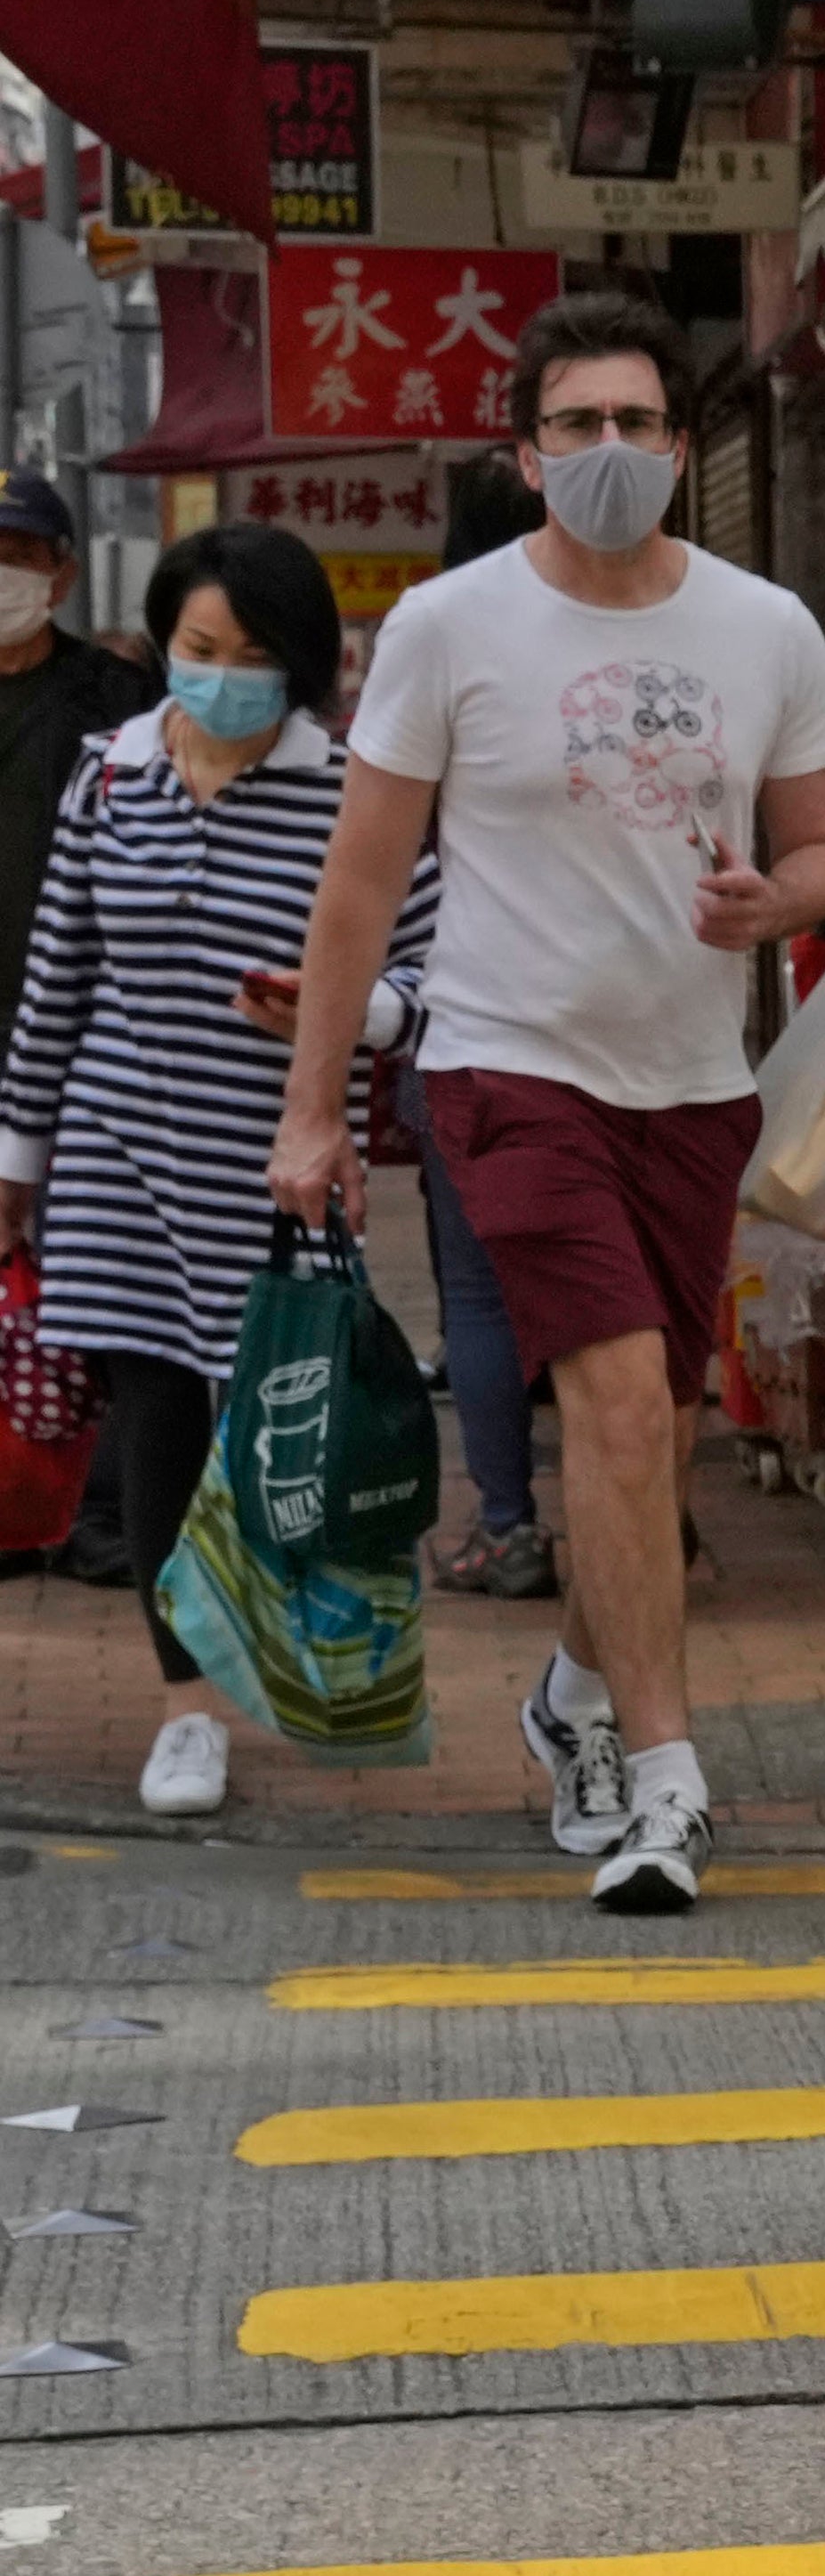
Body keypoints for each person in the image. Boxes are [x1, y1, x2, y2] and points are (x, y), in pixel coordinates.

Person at [271, 293, 825, 1914]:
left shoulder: (766, 627)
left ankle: (573, 1698)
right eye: (578, 426)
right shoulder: (450, 628)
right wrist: (313, 1110)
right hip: (508, 1067)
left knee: (657, 1436)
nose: (611, 452)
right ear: (526, 452)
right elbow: (361, 880)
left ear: (685, 445)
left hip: (694, 1081)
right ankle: (666, 1780)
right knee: (608, 1405)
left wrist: (778, 902)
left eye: (639, 424)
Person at [0, 527, 435, 1816]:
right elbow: (57, 978)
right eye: (198, 651)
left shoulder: (352, 790)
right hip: (116, 1155)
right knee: (159, 1428)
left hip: (274, 1165)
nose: (222, 678)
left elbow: (426, 970)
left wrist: (350, 1013)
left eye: (254, 658)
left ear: (302, 669)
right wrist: (19, 1155)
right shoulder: (109, 777)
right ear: (159, 646)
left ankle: (309, 1661)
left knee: (279, 1426)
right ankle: (187, 1706)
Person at [8, 471, 174, 1589]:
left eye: (20, 553)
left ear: (61, 570)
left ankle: (103, 1511)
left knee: (98, 1284)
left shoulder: (117, 700)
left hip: (87, 1043)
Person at [409, 459, 554, 1600]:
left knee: (479, 1292)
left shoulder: (437, 649)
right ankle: (655, 1518)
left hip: (461, 1029)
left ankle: (508, 1523)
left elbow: (381, 872)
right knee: (635, 1286)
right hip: (626, 1030)